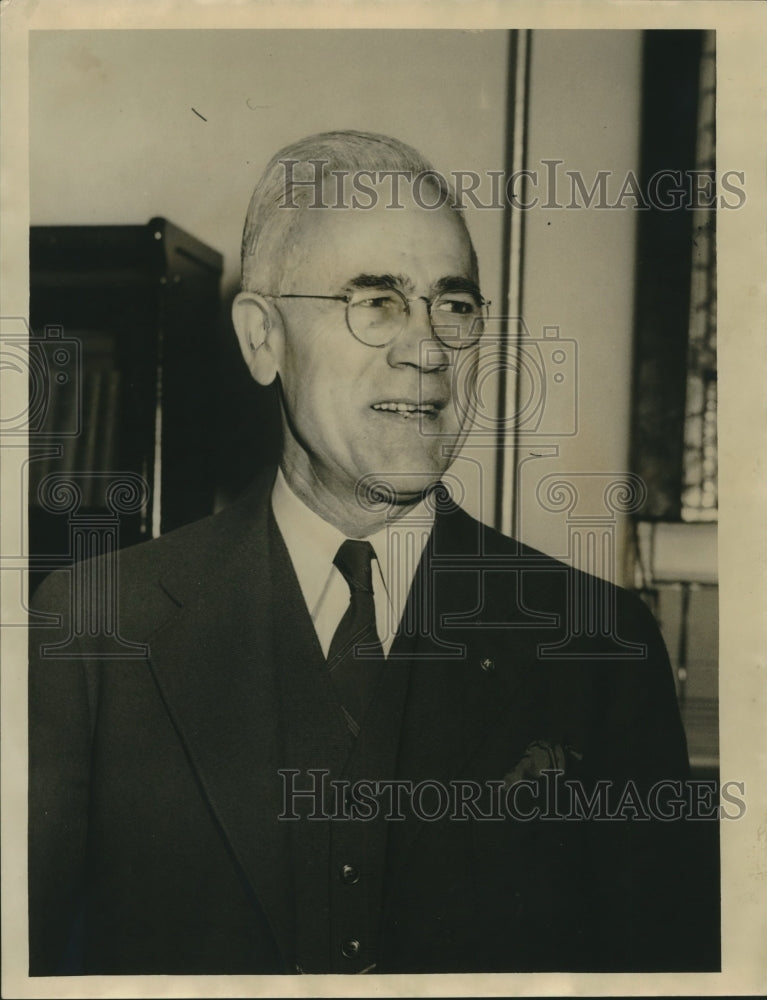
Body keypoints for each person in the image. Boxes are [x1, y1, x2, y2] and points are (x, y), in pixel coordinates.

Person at [28, 130, 718, 976]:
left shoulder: (600, 647)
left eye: (452, 305)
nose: (426, 349)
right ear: (262, 339)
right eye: (377, 302)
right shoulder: (93, 633)